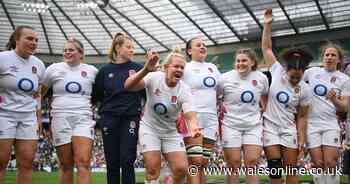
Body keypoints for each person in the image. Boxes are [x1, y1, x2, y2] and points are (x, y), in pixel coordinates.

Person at [124, 48, 202, 184]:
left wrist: (194, 126)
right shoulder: (154, 78)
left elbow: (190, 114)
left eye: (182, 68)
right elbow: (128, 86)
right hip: (150, 129)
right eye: (176, 66)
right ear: (166, 67)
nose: (179, 69)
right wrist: (146, 70)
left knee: (181, 169)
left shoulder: (184, 89)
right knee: (152, 168)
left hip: (170, 132)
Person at [262, 9, 313, 184]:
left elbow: (303, 116)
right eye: (292, 76)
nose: (295, 79)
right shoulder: (276, 71)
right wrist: (267, 25)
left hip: (289, 130)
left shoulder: (305, 90)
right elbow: (267, 48)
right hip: (270, 127)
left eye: (299, 77)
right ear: (287, 70)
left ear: (304, 72)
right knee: (275, 170)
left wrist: (301, 137)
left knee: (291, 170)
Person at [41, 38, 98, 184]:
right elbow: (39, 92)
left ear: (81, 53)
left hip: (83, 118)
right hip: (60, 118)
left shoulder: (92, 71)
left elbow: (98, 95)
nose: (67, 52)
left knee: (83, 162)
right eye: (65, 50)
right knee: (66, 165)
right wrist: (36, 114)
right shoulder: (53, 69)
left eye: (71, 50)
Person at [91, 33, 144, 184]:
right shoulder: (104, 71)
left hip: (130, 118)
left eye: (133, 47)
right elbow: (97, 96)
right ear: (118, 48)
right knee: (112, 161)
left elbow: (145, 93)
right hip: (109, 118)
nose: (132, 50)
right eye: (128, 47)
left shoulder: (138, 69)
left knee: (128, 159)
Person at [0, 25, 45, 184]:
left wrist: (38, 118)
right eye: (29, 38)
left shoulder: (39, 65)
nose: (34, 42)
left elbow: (37, 94)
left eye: (36, 40)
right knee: (1, 161)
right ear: (17, 40)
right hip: (4, 115)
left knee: (26, 163)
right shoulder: (3, 58)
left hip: (27, 118)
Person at [217, 48, 269, 184]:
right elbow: (216, 97)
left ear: (252, 62)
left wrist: (264, 109)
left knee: (252, 163)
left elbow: (264, 97)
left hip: (253, 126)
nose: (241, 63)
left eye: (244, 60)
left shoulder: (261, 78)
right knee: (233, 163)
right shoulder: (224, 78)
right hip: (230, 125)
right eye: (238, 61)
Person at [303, 42, 350, 184]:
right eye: (326, 55)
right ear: (323, 58)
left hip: (330, 123)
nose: (329, 57)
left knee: (330, 163)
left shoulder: (345, 79)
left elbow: (345, 108)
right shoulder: (311, 72)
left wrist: (334, 99)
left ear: (339, 60)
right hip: (311, 125)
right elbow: (294, 81)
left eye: (333, 55)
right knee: (317, 163)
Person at [182, 37, 221, 184]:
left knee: (204, 163)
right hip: (193, 118)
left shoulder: (213, 68)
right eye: (198, 45)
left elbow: (218, 91)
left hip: (211, 118)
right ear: (190, 50)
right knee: (195, 161)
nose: (202, 47)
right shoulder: (185, 67)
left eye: (204, 45)